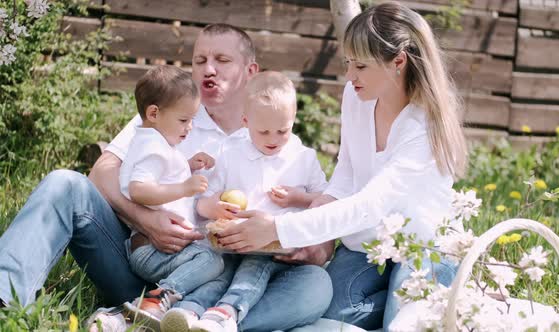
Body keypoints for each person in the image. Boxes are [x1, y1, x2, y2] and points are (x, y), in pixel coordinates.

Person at [0, 23, 332, 332]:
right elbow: (102, 172)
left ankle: (169, 323)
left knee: (317, 285)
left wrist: (313, 249)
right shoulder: (171, 110)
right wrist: (145, 219)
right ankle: (4, 298)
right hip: (144, 267)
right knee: (64, 184)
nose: (208, 69)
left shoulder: (281, 141)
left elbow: (320, 224)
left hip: (231, 286)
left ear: (251, 71)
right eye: (199, 60)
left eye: (222, 60)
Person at [215, 2, 468, 330]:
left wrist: (279, 229)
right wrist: (319, 233)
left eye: (360, 66)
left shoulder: (421, 127)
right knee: (327, 317)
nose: (350, 76)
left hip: (424, 248)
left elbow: (370, 205)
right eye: (349, 63)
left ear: (398, 63)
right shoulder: (356, 96)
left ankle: (451, 301)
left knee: (402, 326)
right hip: (367, 246)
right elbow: (347, 172)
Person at [158, 71, 328, 332]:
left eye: (283, 130)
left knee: (253, 269)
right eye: (263, 131)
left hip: (275, 249)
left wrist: (298, 198)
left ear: (294, 121)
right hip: (231, 245)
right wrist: (211, 206)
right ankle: (188, 311)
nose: (273, 139)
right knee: (219, 274)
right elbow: (203, 200)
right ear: (246, 122)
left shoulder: (303, 158)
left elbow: (327, 201)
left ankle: (225, 313)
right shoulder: (230, 153)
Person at [117, 65, 224, 329]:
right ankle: (158, 297)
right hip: (150, 251)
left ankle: (169, 308)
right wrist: (185, 188)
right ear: (154, 113)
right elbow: (139, 189)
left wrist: (187, 165)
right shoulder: (153, 147)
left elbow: (160, 176)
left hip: (155, 249)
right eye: (184, 120)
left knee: (211, 267)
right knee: (212, 261)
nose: (190, 127)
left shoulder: (154, 142)